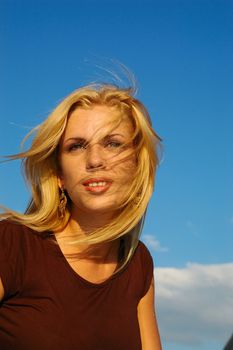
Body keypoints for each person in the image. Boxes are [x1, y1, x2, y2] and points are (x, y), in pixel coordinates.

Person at [0, 82, 162, 350]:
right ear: (60, 175)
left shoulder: (138, 262)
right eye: (76, 146)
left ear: (136, 165)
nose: (95, 160)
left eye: (112, 143)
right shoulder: (12, 243)